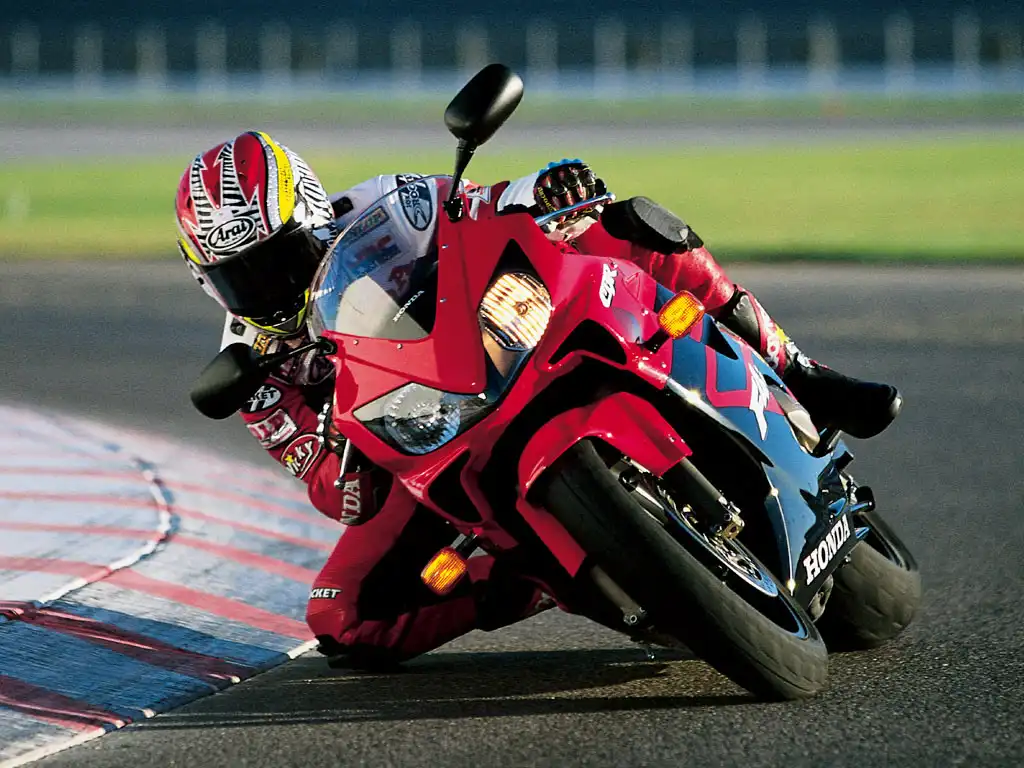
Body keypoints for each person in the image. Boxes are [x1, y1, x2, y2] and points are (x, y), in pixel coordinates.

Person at [176, 132, 901, 667]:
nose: (273, 289)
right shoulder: (250, 372)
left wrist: (546, 190)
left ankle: (799, 369)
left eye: (283, 259)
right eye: (245, 278)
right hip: (423, 442)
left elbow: (487, 204)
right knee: (341, 619)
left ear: (314, 216)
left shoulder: (385, 204)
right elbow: (331, 490)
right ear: (209, 282)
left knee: (621, 222)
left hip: (498, 341)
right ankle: (534, 573)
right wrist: (343, 462)